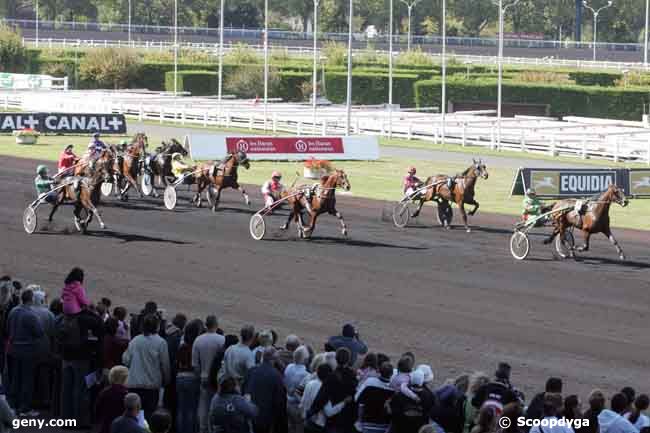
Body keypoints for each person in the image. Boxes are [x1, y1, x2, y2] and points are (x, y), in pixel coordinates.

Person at [122, 313, 171, 421]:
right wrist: (166, 380)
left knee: (132, 416)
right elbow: (165, 365)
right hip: (151, 386)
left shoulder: (135, 340)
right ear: (157, 326)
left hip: (135, 384)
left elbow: (125, 360)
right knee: (149, 417)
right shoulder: (161, 342)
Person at [7, 289, 44, 417]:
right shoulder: (31, 315)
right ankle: (25, 408)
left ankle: (13, 405)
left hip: (13, 349)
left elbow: (8, 328)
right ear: (31, 299)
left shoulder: (13, 311)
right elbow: (40, 332)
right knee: (26, 380)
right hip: (27, 350)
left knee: (15, 379)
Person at [194, 315, 226, 433]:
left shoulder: (198, 339)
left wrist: (200, 376)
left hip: (203, 377)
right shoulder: (221, 339)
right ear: (216, 325)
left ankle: (203, 430)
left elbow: (195, 364)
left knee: (203, 407)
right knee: (215, 408)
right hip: (218, 380)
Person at [244, 348, 288, 433]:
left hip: (250, 412)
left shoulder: (251, 370)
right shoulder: (276, 375)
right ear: (273, 360)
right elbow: (280, 401)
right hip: (266, 417)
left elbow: (244, 390)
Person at [177, 319, 204, 433]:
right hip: (192, 378)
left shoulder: (183, 345)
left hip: (180, 378)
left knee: (181, 410)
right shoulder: (197, 345)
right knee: (191, 410)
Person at [356, 361, 394, 433]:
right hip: (383, 427)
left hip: (367, 425)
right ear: (391, 374)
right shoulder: (393, 391)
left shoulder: (370, 383)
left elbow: (359, 403)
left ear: (379, 371)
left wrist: (359, 421)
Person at [95, 366, 130, 433]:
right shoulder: (126, 394)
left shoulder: (104, 392)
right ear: (125, 379)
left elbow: (97, 409)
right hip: (122, 427)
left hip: (106, 426)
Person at [284, 345, 311, 433]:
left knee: (290, 428)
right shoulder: (306, 375)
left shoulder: (289, 367)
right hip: (297, 407)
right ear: (306, 360)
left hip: (287, 403)